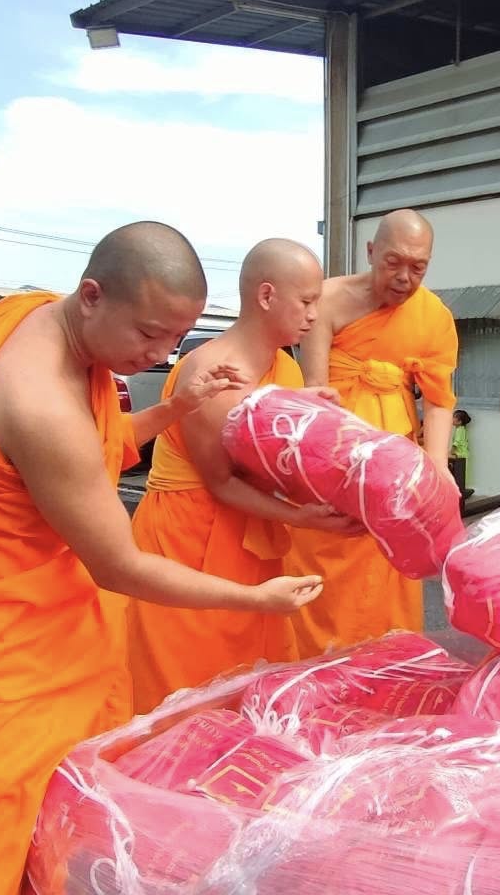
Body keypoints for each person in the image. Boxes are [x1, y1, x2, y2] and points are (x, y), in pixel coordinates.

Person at [0, 221, 324, 894]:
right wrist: (255, 598)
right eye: (148, 334)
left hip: (48, 638)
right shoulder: (41, 406)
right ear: (92, 295)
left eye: (175, 338)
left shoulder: (23, 315)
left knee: (50, 835)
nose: (160, 351)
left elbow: (95, 447)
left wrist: (177, 405)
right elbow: (119, 565)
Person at [124, 239, 362, 714]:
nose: (315, 315)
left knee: (248, 678)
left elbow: (287, 462)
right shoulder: (214, 372)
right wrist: (308, 518)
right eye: (307, 301)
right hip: (192, 538)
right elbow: (222, 483)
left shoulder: (286, 367)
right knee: (185, 687)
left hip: (250, 539)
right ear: (267, 295)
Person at [284, 208, 459, 656]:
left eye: (418, 267)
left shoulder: (434, 317)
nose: (404, 277)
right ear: (370, 252)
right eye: (393, 262)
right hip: (333, 458)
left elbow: (438, 400)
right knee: (325, 558)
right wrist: (331, 471)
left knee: (389, 568)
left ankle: (386, 674)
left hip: (394, 467)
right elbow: (315, 393)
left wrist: (436, 468)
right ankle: (312, 675)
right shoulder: (326, 300)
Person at [448, 409, 473, 498]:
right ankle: (459, 489)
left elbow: (456, 443)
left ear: (459, 421)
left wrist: (451, 452)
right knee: (460, 473)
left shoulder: (459, 430)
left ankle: (457, 490)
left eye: (454, 418)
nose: (452, 419)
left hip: (460, 454)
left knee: (458, 473)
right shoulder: (461, 429)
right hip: (462, 454)